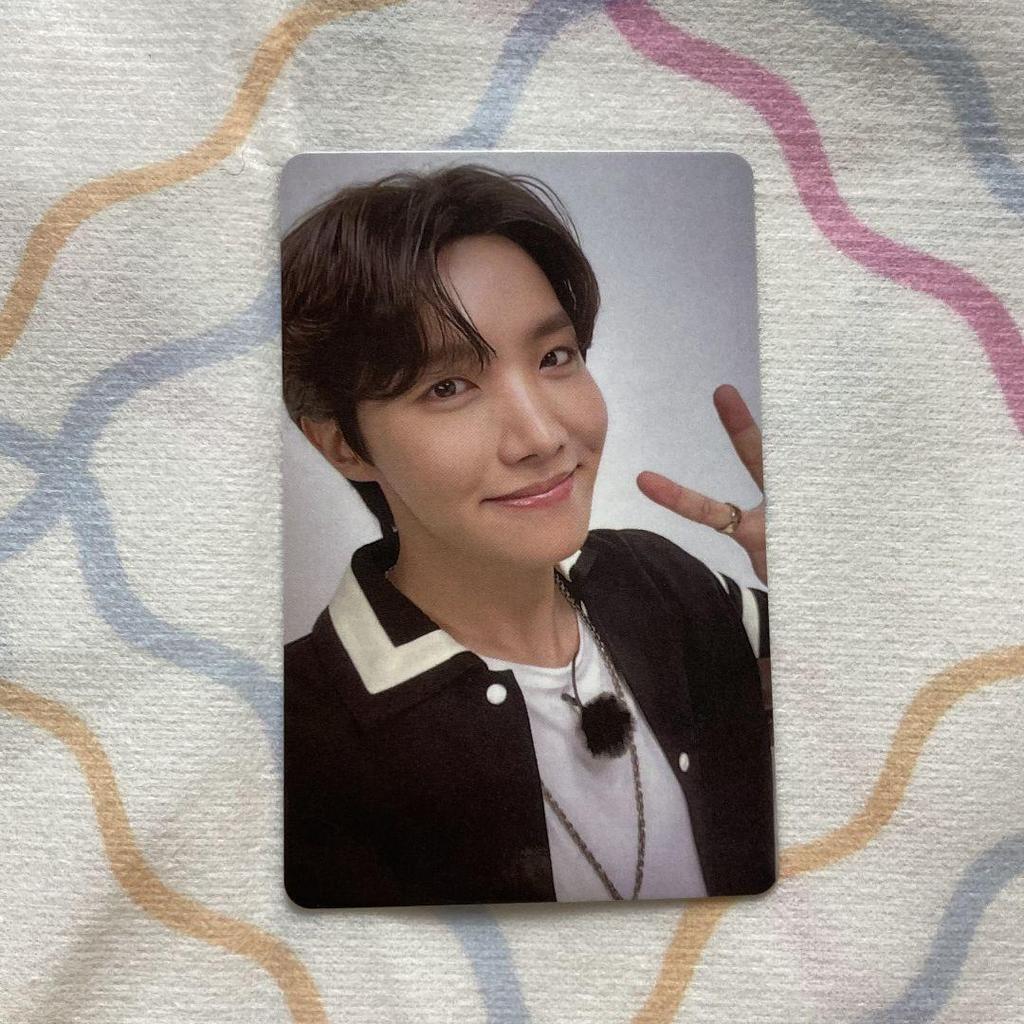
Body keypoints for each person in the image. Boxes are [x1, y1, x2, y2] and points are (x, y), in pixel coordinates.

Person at [282, 162, 774, 908]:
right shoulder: (298, 735)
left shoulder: (659, 579)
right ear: (344, 445)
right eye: (448, 387)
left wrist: (834, 574)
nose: (543, 436)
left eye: (554, 357)